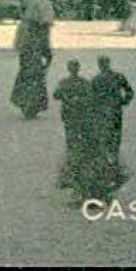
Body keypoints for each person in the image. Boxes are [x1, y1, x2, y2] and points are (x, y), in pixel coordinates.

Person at [91, 56, 134, 189]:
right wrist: (124, 101)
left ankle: (108, 168)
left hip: (102, 114)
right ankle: (114, 165)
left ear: (99, 65)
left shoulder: (96, 80)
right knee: (115, 139)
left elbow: (91, 98)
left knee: (103, 140)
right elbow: (130, 91)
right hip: (116, 111)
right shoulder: (118, 76)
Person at [53, 59, 96, 195]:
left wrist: (69, 98)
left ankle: (72, 157)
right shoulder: (84, 82)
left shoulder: (64, 82)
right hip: (82, 114)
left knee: (70, 136)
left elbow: (56, 95)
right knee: (82, 135)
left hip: (69, 114)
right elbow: (91, 97)